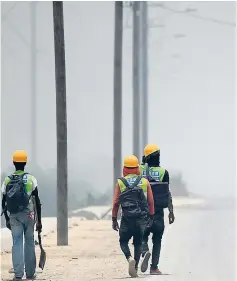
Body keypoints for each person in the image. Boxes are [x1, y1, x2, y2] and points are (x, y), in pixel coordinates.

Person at [1, 150, 42, 281]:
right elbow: (37, 201)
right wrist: (39, 221)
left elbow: (3, 201)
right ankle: (30, 273)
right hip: (29, 214)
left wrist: (7, 218)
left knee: (17, 242)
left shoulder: (7, 180)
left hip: (14, 215)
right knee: (29, 241)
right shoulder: (31, 179)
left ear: (14, 163)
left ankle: (18, 274)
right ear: (25, 163)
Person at [112, 155, 155, 278]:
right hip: (141, 217)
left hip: (127, 218)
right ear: (137, 168)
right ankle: (135, 267)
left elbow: (115, 203)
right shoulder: (144, 181)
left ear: (124, 169)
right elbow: (151, 201)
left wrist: (114, 219)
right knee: (138, 242)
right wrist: (151, 216)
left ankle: (129, 257)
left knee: (123, 241)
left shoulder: (120, 182)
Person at [140, 144, 175, 275]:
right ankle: (154, 268)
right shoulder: (163, 172)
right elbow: (167, 193)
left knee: (141, 235)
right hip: (158, 211)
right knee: (157, 239)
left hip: (142, 210)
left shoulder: (138, 169)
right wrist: (171, 211)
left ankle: (144, 251)